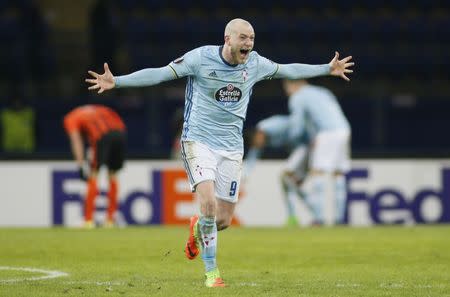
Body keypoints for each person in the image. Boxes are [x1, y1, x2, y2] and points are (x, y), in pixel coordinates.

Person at [85, 18, 354, 287]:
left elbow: (288, 70)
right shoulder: (200, 59)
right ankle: (212, 274)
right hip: (197, 142)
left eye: (251, 38)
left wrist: (326, 68)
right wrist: (117, 81)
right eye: (243, 38)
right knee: (209, 203)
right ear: (227, 39)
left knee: (222, 219)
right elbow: (160, 73)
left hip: (232, 147)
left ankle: (197, 226)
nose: (248, 43)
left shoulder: (255, 63)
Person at [283, 79, 351, 226]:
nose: (287, 92)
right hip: (344, 129)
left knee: (317, 172)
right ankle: (340, 219)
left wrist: (292, 142)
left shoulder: (298, 97)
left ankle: (319, 218)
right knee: (338, 174)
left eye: (287, 88)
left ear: (293, 85)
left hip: (327, 132)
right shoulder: (322, 91)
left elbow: (297, 126)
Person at [242, 115, 313, 227]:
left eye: (255, 142)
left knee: (285, 176)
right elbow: (251, 159)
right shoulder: (261, 138)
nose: (258, 146)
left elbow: (294, 125)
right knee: (287, 182)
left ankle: (316, 214)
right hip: (298, 150)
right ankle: (293, 217)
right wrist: (243, 178)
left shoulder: (269, 126)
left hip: (306, 145)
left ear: (257, 135)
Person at [63, 104, 126, 228]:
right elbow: (119, 123)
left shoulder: (70, 118)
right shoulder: (100, 108)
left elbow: (76, 140)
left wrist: (80, 165)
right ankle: (110, 221)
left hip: (101, 136)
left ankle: (88, 220)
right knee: (113, 175)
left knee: (93, 175)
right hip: (120, 135)